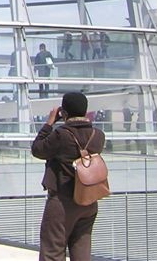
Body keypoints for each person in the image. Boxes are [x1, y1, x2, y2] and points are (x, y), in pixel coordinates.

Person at [31, 91, 105, 261]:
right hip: (89, 200)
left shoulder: (61, 135)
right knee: (82, 251)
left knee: (53, 251)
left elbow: (37, 149)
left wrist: (49, 123)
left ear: (63, 113)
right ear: (85, 111)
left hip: (62, 202)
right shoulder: (98, 136)